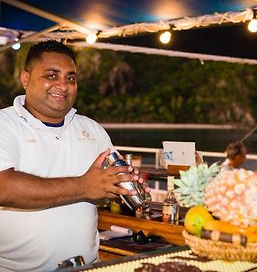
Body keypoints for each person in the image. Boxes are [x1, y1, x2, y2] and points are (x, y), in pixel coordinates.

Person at [0, 40, 148, 272]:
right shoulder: (4, 124)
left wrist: (123, 189)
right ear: (25, 78)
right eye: (51, 75)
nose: (63, 85)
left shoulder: (93, 130)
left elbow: (108, 185)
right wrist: (83, 186)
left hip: (88, 266)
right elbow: (3, 188)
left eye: (71, 78)